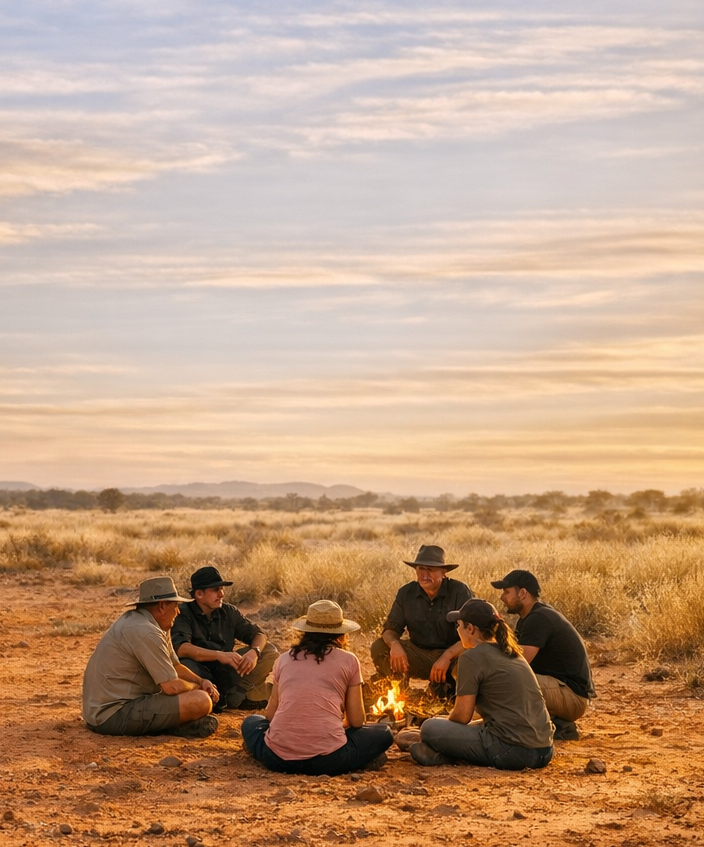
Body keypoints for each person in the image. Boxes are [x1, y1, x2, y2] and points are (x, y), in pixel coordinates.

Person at [241, 600, 393, 776]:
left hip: (277, 759)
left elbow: (270, 715)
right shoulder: (349, 660)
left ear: (305, 632)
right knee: (384, 733)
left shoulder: (283, 659)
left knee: (251, 722)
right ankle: (361, 759)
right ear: (341, 635)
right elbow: (357, 721)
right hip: (328, 761)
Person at [408, 598, 554, 769]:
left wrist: (440, 724)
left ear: (470, 628)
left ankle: (448, 755)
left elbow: (462, 716)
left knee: (429, 728)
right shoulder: (513, 653)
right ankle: (448, 752)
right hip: (545, 751)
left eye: (459, 625)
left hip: (514, 752)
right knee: (440, 726)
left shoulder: (471, 657)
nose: (457, 630)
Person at [82, 576, 219, 738]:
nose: (178, 611)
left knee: (195, 695)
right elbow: (171, 687)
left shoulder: (152, 623)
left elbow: (175, 666)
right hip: (112, 715)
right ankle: (173, 726)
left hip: (101, 711)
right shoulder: (146, 631)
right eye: (175, 606)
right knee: (201, 701)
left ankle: (170, 723)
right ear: (162, 606)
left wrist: (201, 681)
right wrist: (197, 689)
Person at [491, 569, 596, 740]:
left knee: (513, 680)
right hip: (562, 691)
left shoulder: (538, 618)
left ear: (523, 593)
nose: (502, 597)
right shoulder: (530, 617)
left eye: (507, 592)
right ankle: (554, 724)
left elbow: (519, 662)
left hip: (573, 698)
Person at [370, 544, 473, 698]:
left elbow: (474, 635)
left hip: (451, 655)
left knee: (469, 661)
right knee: (379, 647)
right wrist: (395, 644)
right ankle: (400, 693)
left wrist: (447, 656)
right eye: (420, 569)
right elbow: (390, 629)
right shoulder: (406, 592)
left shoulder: (459, 591)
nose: (424, 574)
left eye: (430, 569)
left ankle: (445, 691)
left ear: (443, 572)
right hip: (417, 653)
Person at [171, 566, 278, 711]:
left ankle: (236, 694)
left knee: (269, 650)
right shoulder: (183, 613)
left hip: (227, 673)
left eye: (222, 589)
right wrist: (218, 655)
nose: (221, 594)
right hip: (199, 673)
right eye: (216, 590)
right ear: (199, 594)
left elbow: (259, 634)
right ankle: (214, 699)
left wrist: (255, 652)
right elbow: (181, 649)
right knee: (183, 667)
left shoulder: (228, 611)